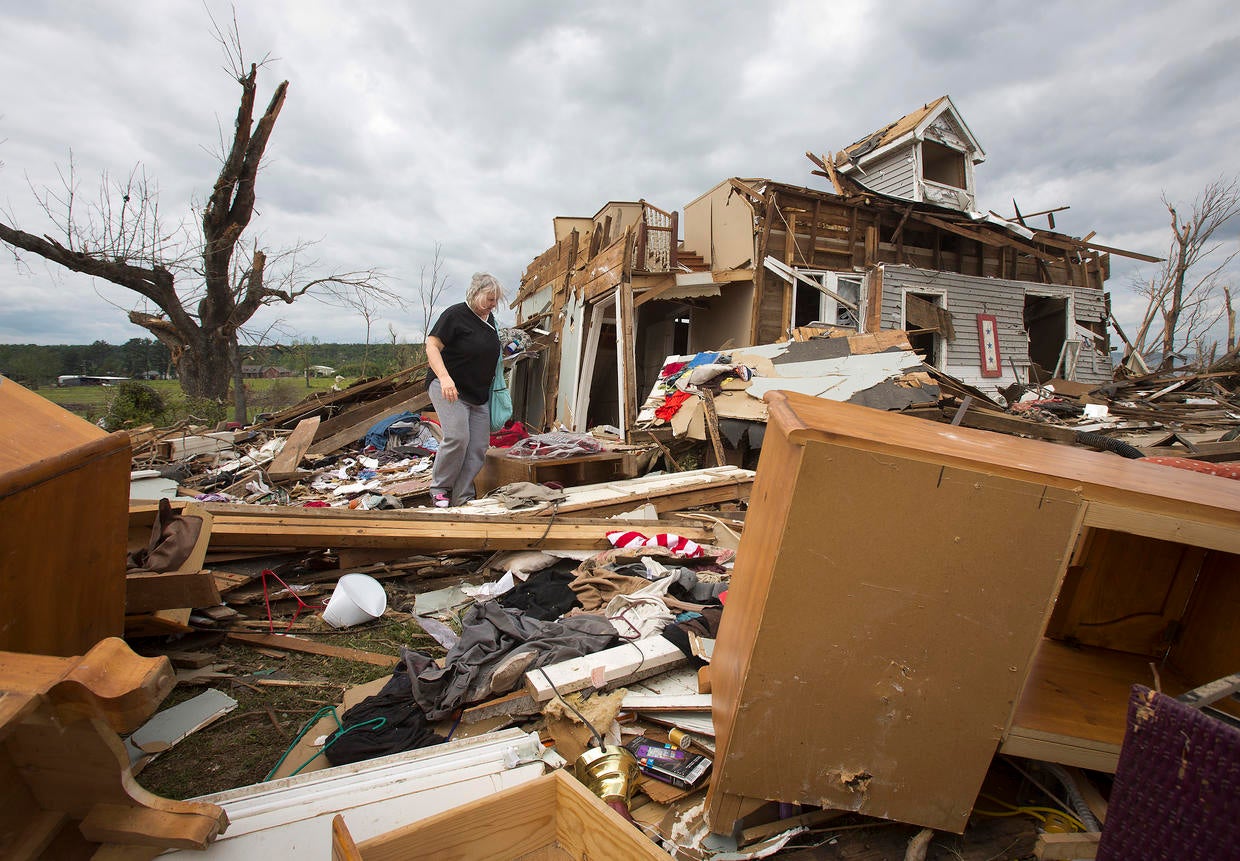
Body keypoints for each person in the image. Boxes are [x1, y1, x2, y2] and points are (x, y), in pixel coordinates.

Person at [424, 272, 503, 507]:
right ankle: (440, 488)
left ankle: (462, 495)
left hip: (478, 394)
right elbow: (431, 345)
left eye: (496, 300)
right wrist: (445, 377)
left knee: (478, 446)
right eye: (490, 298)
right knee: (458, 437)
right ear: (476, 294)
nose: (493, 304)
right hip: (449, 388)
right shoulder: (455, 314)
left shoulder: (491, 322)